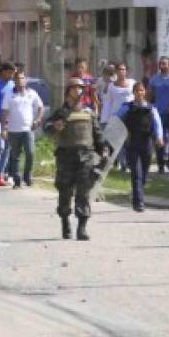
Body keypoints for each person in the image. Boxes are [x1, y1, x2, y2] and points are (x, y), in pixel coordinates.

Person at [45, 78, 106, 240]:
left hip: (86, 157)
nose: (78, 91)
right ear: (68, 92)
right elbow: (47, 128)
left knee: (83, 192)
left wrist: (103, 151)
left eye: (80, 88)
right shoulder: (61, 113)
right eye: (75, 88)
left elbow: (98, 135)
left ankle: (82, 227)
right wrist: (54, 127)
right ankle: (65, 220)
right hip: (66, 157)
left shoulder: (88, 113)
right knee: (65, 191)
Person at [115, 82, 164, 212]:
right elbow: (116, 119)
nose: (140, 93)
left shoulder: (151, 108)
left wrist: (159, 137)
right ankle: (139, 202)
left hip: (147, 143)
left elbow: (157, 124)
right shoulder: (127, 107)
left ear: (145, 92)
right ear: (133, 92)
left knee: (144, 173)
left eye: (142, 90)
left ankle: (137, 194)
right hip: (132, 143)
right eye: (137, 91)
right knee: (136, 173)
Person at [1, 69, 45, 188]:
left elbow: (41, 107)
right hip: (13, 130)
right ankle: (17, 180)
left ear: (25, 80)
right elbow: (4, 112)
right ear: (14, 81)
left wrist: (38, 120)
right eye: (18, 78)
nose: (20, 81)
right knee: (15, 156)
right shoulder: (9, 94)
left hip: (28, 129)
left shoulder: (32, 93)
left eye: (22, 78)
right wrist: (4, 129)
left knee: (30, 153)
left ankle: (27, 176)